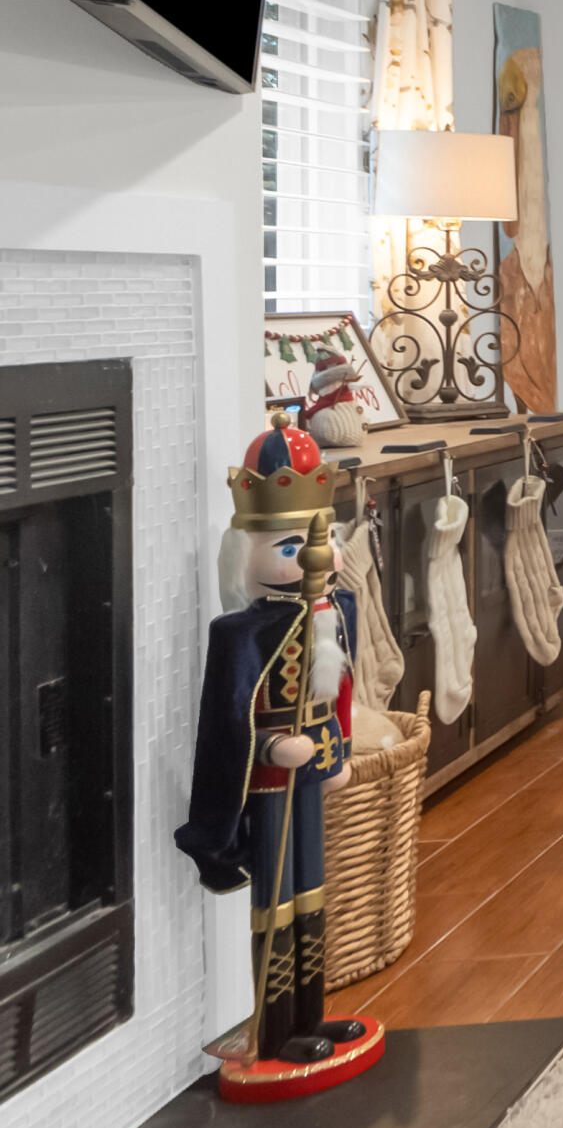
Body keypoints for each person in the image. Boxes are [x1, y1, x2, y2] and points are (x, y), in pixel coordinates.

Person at [175, 411, 382, 1091]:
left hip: (315, 775)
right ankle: (274, 1028)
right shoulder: (241, 635)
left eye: (322, 541)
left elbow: (342, 690)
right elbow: (228, 719)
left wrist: (338, 751)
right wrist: (272, 744)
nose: (318, 558)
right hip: (267, 786)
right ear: (249, 552)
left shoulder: (333, 616)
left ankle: (311, 1018)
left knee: (313, 895)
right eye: (292, 546)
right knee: (278, 900)